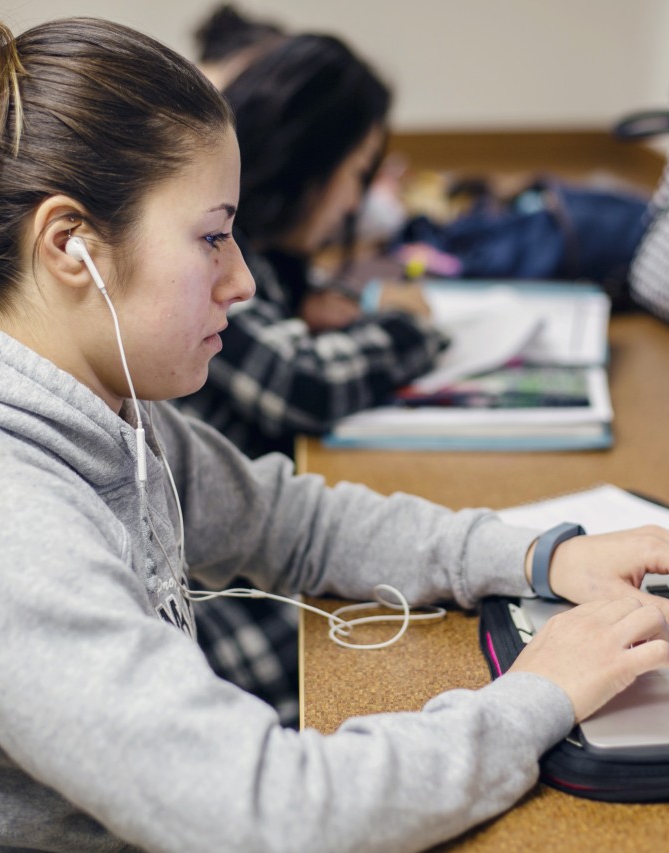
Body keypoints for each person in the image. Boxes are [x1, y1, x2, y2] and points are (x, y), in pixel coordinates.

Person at [0, 15, 669, 852]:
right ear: (70, 248)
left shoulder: (96, 412)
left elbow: (292, 523)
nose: (244, 280)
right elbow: (266, 814)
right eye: (213, 237)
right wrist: (539, 692)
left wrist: (538, 556)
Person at [177, 32, 448, 727]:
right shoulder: (210, 275)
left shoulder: (263, 262)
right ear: (309, 163)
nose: (355, 202)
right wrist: (410, 327)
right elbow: (304, 381)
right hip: (222, 617)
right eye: (358, 175)